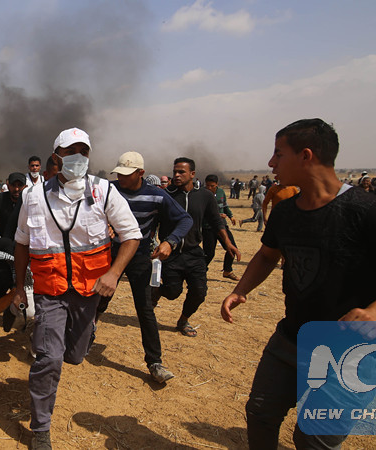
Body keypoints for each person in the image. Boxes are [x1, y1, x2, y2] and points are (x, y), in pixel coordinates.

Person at [221, 118, 376, 450]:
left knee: (313, 438)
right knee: (260, 414)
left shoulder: (368, 210)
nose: (271, 162)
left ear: (306, 155)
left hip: (352, 354)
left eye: (278, 153)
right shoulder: (285, 211)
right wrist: (240, 290)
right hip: (291, 340)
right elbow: (266, 255)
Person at [13, 128, 141, 449]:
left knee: (75, 355)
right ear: (56, 157)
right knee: (49, 358)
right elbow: (21, 243)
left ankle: (87, 332)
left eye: (83, 151)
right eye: (70, 152)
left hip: (89, 291)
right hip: (50, 290)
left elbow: (131, 235)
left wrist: (113, 274)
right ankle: (41, 429)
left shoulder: (104, 192)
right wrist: (18, 287)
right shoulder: (34, 196)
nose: (78, 158)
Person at [96, 151, 192, 383]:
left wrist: (170, 241)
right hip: (111, 254)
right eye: (119, 173)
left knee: (145, 309)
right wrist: (104, 223)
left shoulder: (157, 195)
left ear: (141, 173)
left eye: (126, 174)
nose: (121, 178)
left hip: (139, 257)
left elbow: (185, 219)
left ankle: (154, 362)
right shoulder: (108, 189)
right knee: (99, 299)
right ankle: (84, 337)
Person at [156, 157, 240, 337]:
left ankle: (183, 320)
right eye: (174, 172)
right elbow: (154, 220)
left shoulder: (205, 196)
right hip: (171, 254)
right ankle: (155, 292)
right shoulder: (166, 195)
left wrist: (228, 243)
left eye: (181, 172)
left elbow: (216, 221)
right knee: (172, 292)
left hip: (193, 252)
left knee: (199, 292)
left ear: (192, 174)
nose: (176, 175)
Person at [203, 174, 240, 281]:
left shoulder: (221, 192)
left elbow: (225, 206)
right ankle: (200, 272)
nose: (209, 188)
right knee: (209, 253)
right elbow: (201, 211)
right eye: (207, 185)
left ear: (217, 184)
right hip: (208, 227)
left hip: (222, 226)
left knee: (232, 249)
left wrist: (230, 216)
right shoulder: (202, 194)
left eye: (212, 186)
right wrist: (218, 215)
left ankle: (227, 271)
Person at [0, 172, 26, 239]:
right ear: (8, 186)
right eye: (13, 185)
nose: (16, 189)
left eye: (20, 185)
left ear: (25, 187)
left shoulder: (28, 202)